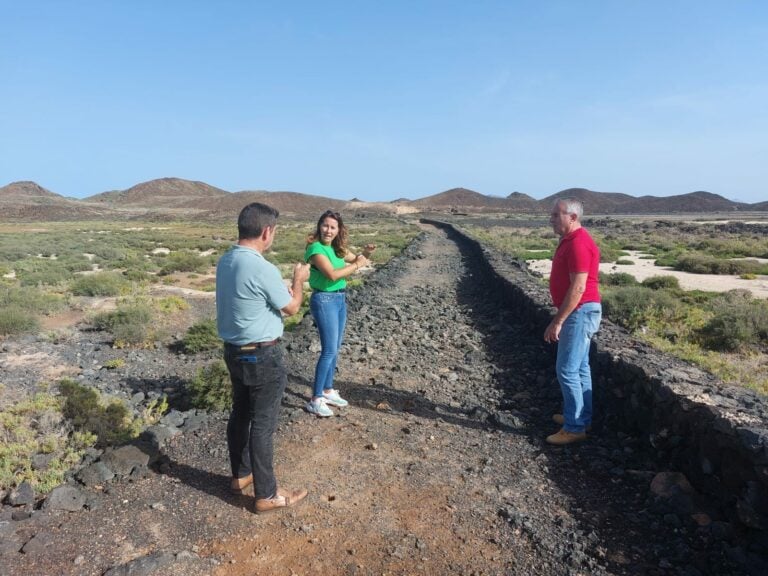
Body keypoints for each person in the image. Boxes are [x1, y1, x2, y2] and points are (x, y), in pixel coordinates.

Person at [216, 202, 310, 513]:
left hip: (233, 351)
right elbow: (292, 308)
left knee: (240, 413)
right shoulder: (262, 267)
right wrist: (298, 279)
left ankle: (240, 475)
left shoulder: (226, 260)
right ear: (266, 232)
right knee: (263, 424)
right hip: (262, 355)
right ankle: (266, 495)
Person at [304, 210, 374, 417]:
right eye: (325, 225)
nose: (328, 230)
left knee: (335, 348)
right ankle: (315, 399)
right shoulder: (315, 248)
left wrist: (365, 254)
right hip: (324, 300)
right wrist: (358, 264)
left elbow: (358, 258)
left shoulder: (338, 248)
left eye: (333, 227)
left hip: (339, 299)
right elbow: (332, 275)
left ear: (338, 230)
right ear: (319, 226)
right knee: (328, 350)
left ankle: (327, 390)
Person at [543, 198, 602, 445]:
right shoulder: (570, 240)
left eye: (556, 215)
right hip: (581, 311)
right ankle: (580, 417)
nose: (551, 219)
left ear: (573, 217)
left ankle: (575, 427)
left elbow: (578, 288)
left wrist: (557, 321)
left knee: (566, 370)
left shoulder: (579, 243)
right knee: (580, 368)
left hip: (579, 312)